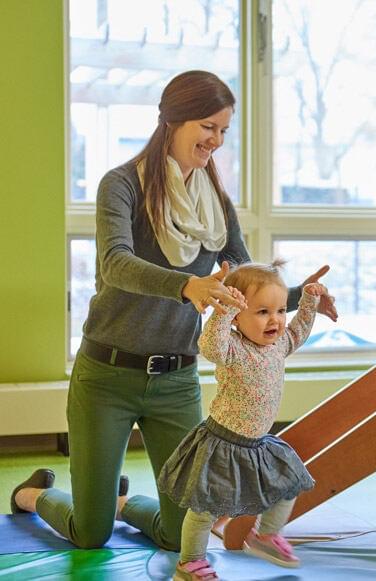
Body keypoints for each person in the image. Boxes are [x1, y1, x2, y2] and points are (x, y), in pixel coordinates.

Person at [9, 70, 337, 552]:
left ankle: (120, 503)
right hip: (107, 376)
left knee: (177, 533)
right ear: (173, 119)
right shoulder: (120, 185)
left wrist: (300, 296)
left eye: (224, 131)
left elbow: (244, 282)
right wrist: (188, 285)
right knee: (90, 533)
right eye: (208, 126)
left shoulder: (215, 203)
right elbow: (115, 263)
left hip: (176, 382)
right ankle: (35, 494)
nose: (216, 141)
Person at [159, 262, 322, 580]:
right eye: (262, 312)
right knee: (205, 508)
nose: (274, 319)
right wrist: (223, 312)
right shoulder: (233, 347)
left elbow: (299, 329)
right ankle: (189, 562)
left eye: (279, 310)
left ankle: (264, 536)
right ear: (238, 317)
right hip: (223, 442)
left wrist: (309, 301)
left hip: (258, 443)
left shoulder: (278, 345)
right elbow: (209, 346)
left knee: (289, 484)